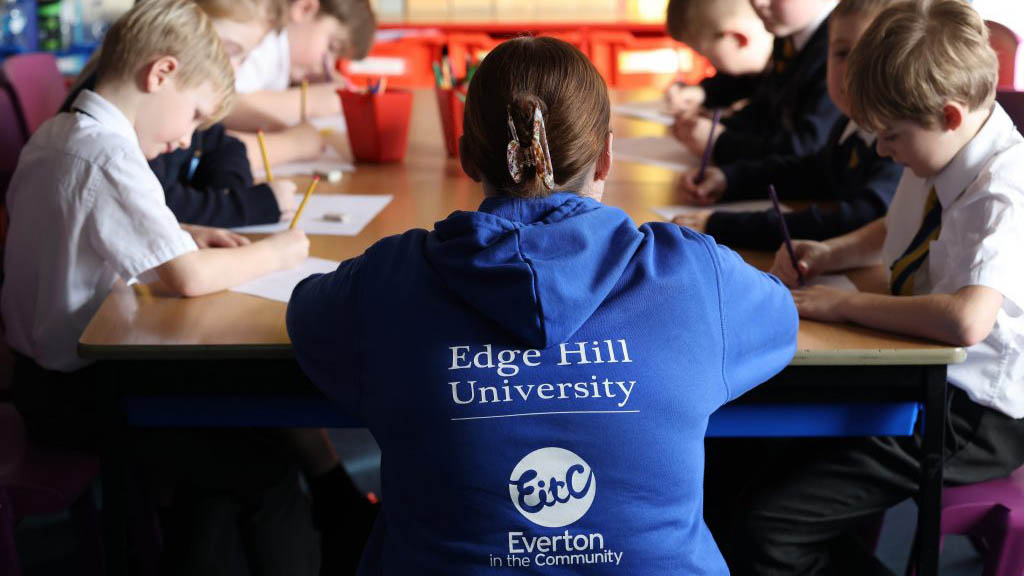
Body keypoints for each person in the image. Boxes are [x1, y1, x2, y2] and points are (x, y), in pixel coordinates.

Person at [287, 36, 798, 574]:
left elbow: (305, 316)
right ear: (605, 156)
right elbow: (779, 319)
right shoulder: (693, 276)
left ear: (464, 156)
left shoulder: (386, 282)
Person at [671, 0, 901, 250]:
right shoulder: (854, 127)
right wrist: (730, 180)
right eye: (841, 54)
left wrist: (724, 226)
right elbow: (814, 172)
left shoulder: (898, 143)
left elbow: (858, 220)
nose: (852, 70)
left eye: (866, 54)